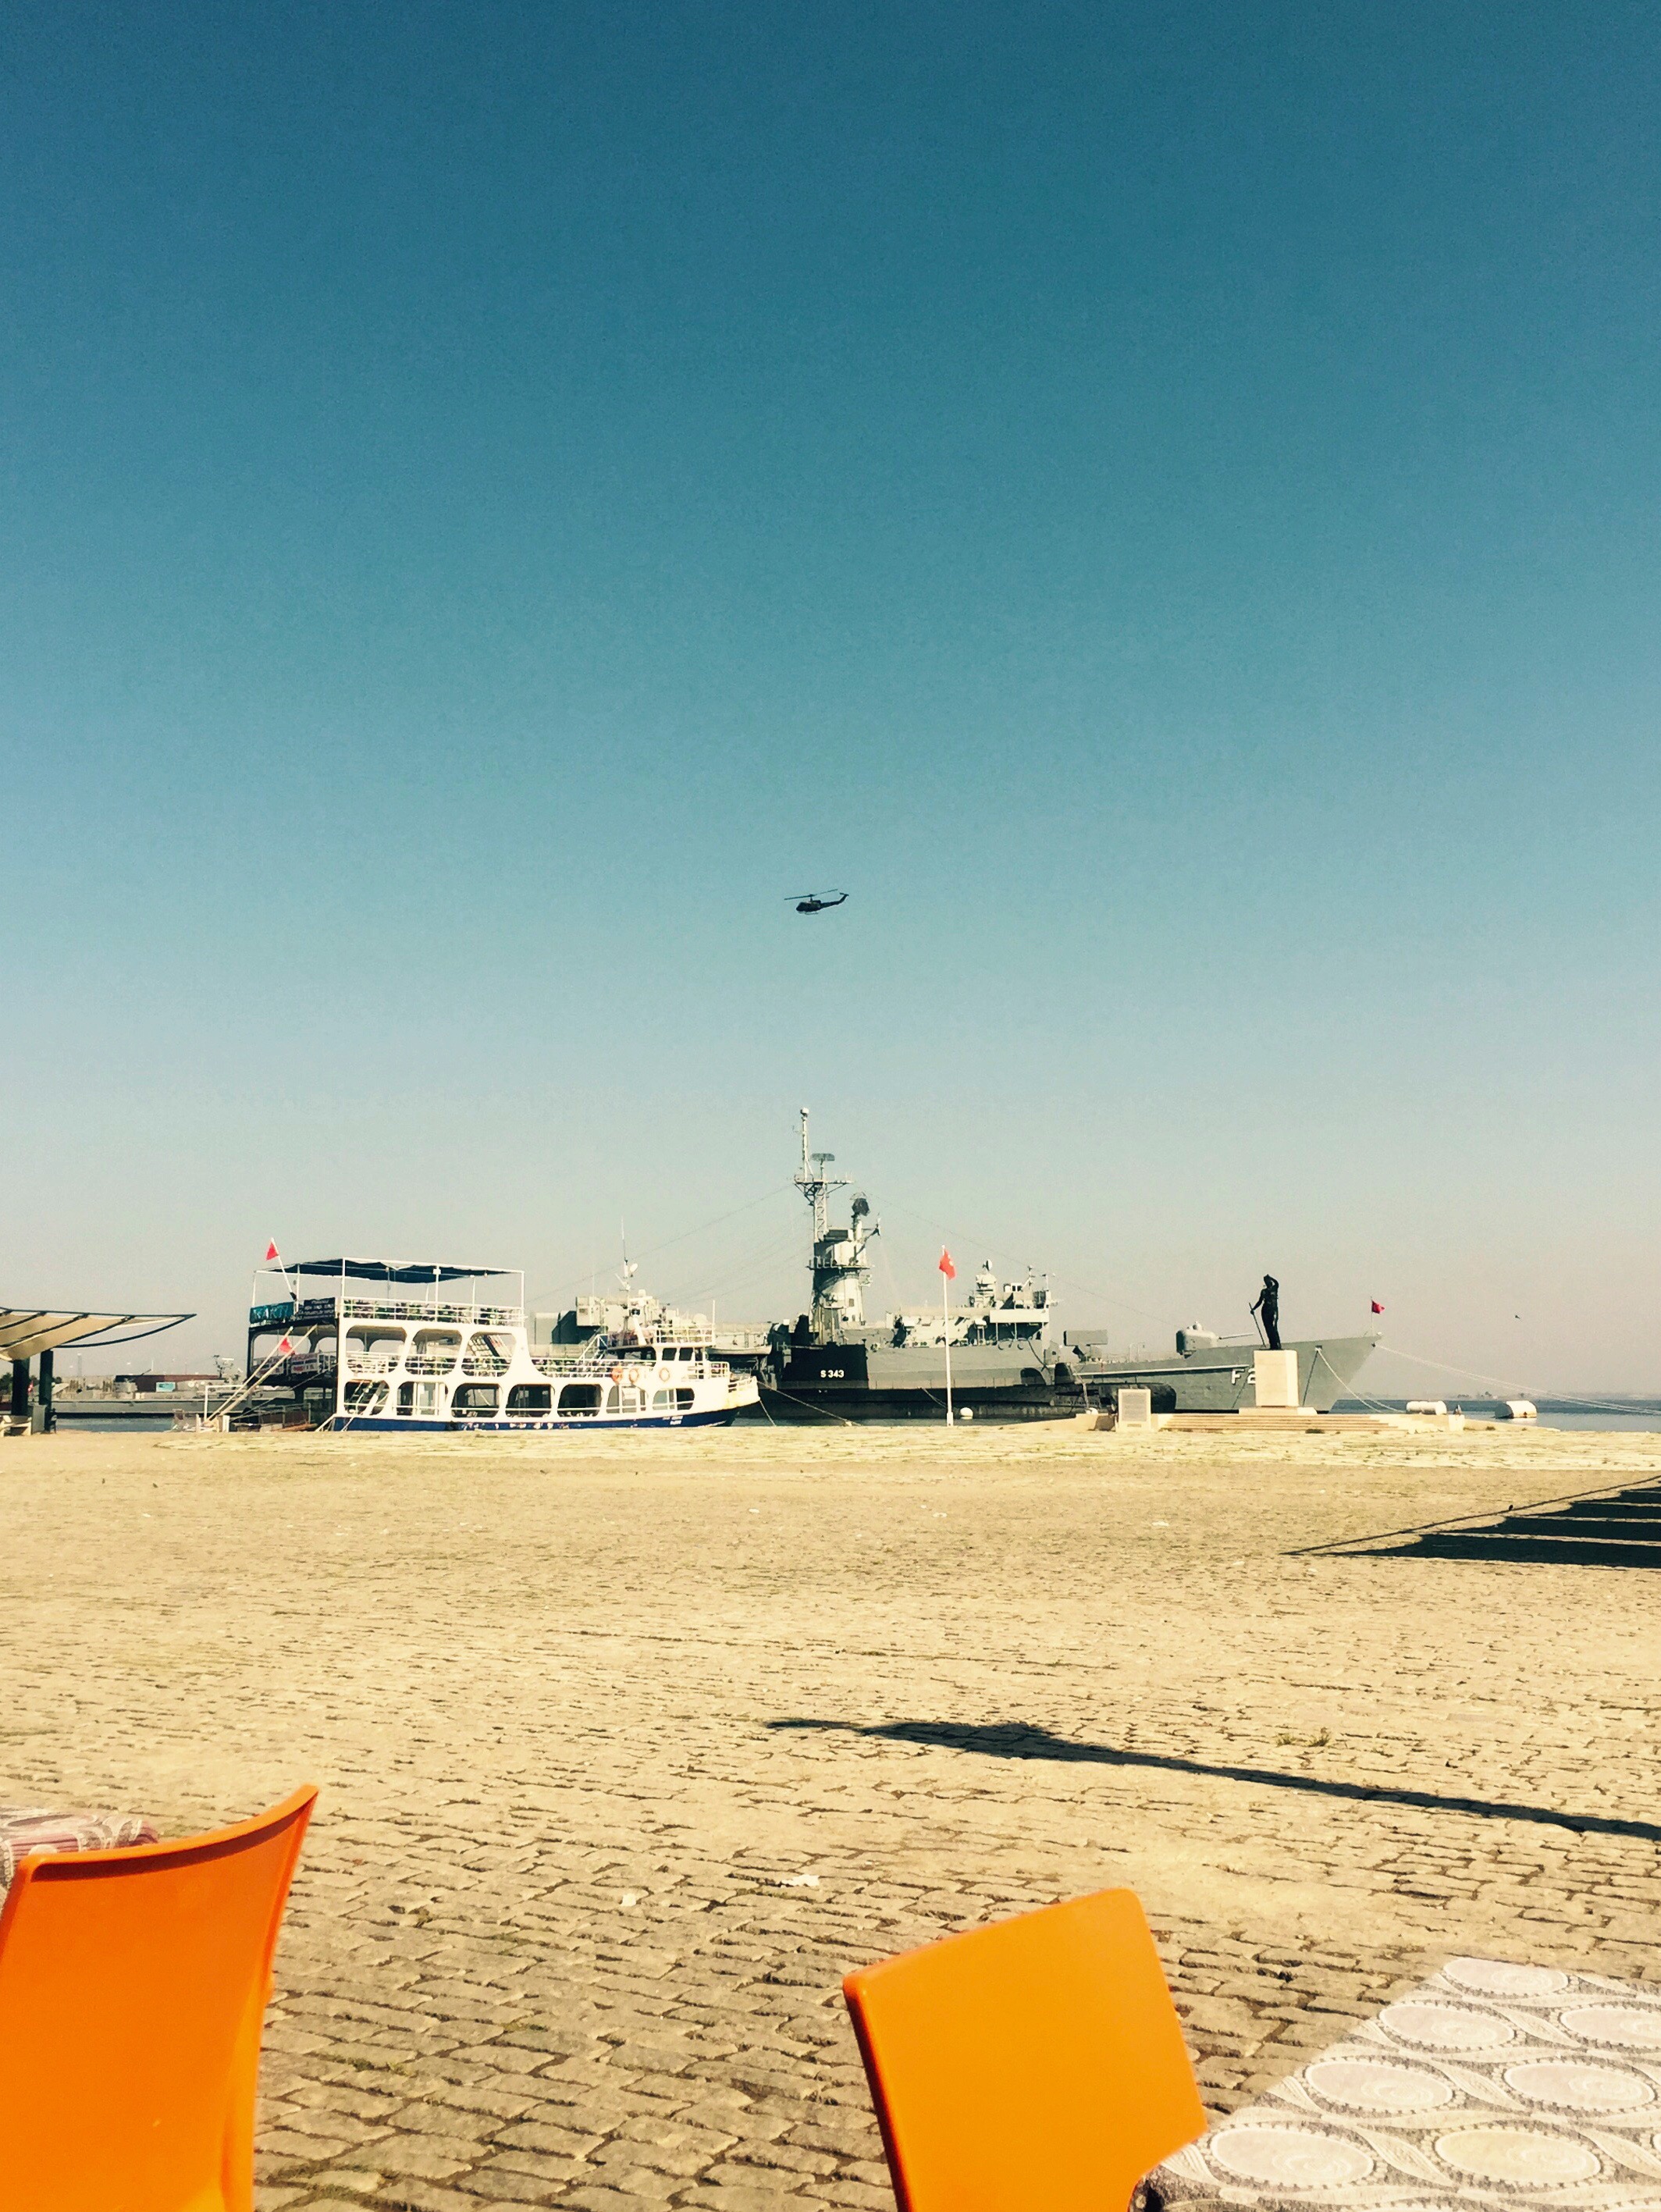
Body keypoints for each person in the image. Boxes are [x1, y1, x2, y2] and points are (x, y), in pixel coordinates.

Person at [1250, 1275, 1281, 1350]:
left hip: (1273, 1310)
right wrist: (1253, 1309)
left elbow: (1277, 1283)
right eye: (1266, 1281)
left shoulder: (1274, 1288)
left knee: (1274, 1327)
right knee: (1268, 1329)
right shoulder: (1264, 1292)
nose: (1267, 1283)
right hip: (1265, 1311)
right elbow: (1260, 1301)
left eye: (1268, 1281)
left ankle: (1277, 1345)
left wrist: (1271, 1277)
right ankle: (1272, 1345)